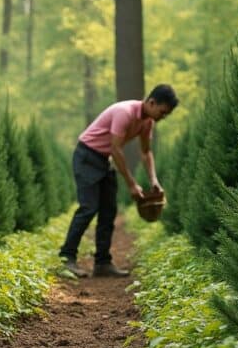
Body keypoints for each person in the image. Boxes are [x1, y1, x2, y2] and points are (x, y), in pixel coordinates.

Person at [59, 84, 179, 278]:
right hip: (87, 156)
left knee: (109, 210)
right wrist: (131, 183)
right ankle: (67, 258)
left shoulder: (148, 122)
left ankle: (102, 263)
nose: (162, 117)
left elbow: (146, 152)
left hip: (104, 159)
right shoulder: (125, 112)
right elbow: (116, 149)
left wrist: (153, 180)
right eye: (162, 112)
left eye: (166, 115)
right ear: (152, 102)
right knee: (89, 207)